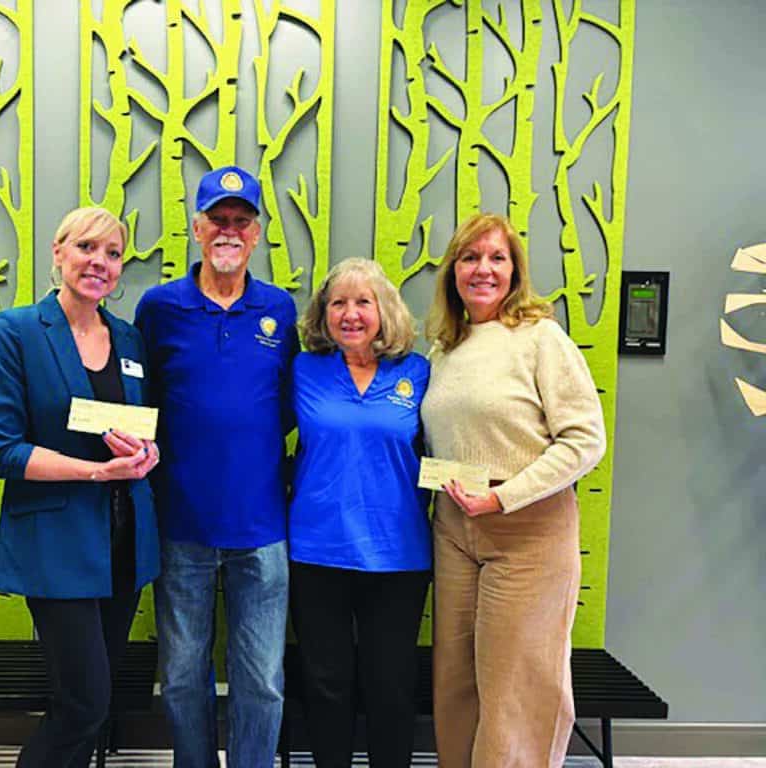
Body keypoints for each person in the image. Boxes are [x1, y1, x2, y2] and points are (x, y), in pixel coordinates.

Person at [0, 206, 160, 768]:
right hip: (57, 542)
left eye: (112, 253)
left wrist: (147, 452)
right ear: (58, 253)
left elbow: (141, 425)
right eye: (86, 248)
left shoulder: (128, 339)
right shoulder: (17, 331)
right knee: (84, 702)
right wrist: (96, 472)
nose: (99, 262)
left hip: (124, 544)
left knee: (92, 705)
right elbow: (0, 450)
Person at [421, 213, 607, 768]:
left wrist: (504, 498)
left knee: (516, 687)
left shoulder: (540, 338)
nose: (483, 270)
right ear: (453, 270)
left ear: (515, 271)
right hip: (455, 526)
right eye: (470, 258)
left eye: (496, 258)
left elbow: (584, 441)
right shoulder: (445, 348)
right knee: (455, 681)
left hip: (526, 528)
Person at [134, 166, 298, 768]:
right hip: (181, 525)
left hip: (262, 527)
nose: (229, 231)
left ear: (256, 233)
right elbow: (140, 398)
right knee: (180, 676)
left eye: (241, 220)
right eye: (217, 220)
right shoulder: (160, 308)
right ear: (197, 228)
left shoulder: (279, 311)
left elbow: (286, 406)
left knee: (262, 679)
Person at [288, 258, 432, 768]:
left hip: (399, 556)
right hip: (316, 550)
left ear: (384, 310)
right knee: (326, 686)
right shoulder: (303, 369)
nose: (350, 313)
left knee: (389, 686)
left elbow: (449, 447)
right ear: (323, 314)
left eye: (362, 302)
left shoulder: (417, 372)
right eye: (338, 303)